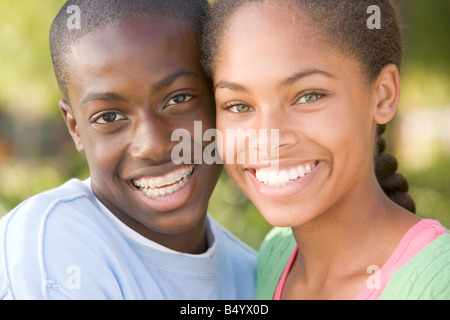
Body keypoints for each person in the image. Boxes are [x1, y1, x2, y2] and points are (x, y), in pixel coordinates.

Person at [0, 0, 256, 300]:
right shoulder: (52, 243)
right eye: (109, 117)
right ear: (75, 128)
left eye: (178, 99)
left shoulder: (254, 274)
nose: (153, 145)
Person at [201, 0, 450, 299]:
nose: (267, 138)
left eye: (308, 96)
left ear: (383, 95)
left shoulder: (437, 284)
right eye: (238, 105)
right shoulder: (278, 255)